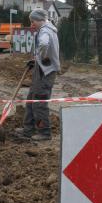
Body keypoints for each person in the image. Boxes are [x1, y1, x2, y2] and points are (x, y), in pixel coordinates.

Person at [15, 9, 60, 141]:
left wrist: (43, 56)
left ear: (39, 19)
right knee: (31, 98)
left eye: (33, 21)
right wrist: (36, 60)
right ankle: (28, 129)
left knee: (39, 102)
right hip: (40, 69)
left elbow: (44, 44)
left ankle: (44, 132)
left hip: (46, 72)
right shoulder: (46, 29)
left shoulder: (45, 31)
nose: (31, 24)